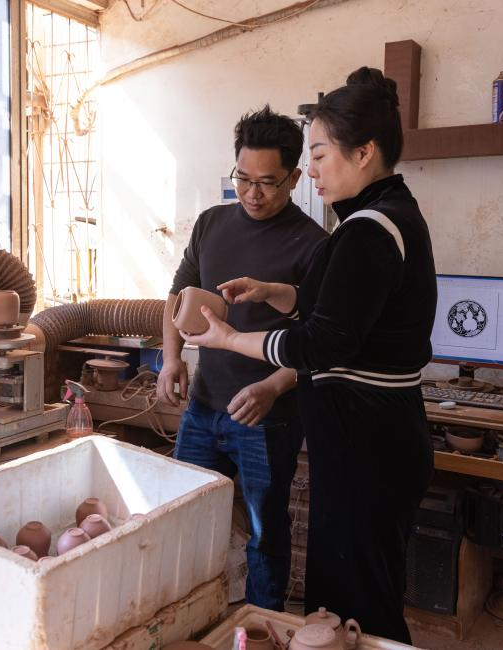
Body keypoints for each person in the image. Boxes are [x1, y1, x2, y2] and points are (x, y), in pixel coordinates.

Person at [179, 68, 436, 643]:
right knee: (351, 599)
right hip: (365, 441)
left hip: (367, 443)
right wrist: (275, 293)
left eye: (319, 156)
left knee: (358, 610)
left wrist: (230, 339)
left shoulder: (369, 231)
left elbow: (321, 342)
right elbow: (342, 310)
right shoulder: (378, 219)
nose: (313, 171)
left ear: (364, 153)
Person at [157, 105, 327, 610]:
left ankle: (262, 627)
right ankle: (184, 620)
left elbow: (320, 343)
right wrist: (172, 359)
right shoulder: (211, 223)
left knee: (264, 533)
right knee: (180, 516)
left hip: (268, 418)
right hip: (204, 405)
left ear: (295, 178)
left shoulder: (315, 246)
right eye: (243, 178)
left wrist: (272, 387)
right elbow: (177, 296)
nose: (252, 194)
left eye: (268, 183)